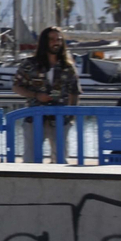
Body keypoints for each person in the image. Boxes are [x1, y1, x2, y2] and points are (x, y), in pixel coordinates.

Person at [12, 26, 81, 161]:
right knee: (30, 159)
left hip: (60, 119)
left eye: (59, 40)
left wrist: (70, 117)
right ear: (44, 42)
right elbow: (16, 86)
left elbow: (75, 92)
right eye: (52, 39)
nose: (56, 43)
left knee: (60, 159)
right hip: (34, 117)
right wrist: (36, 95)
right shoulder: (30, 64)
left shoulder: (67, 67)